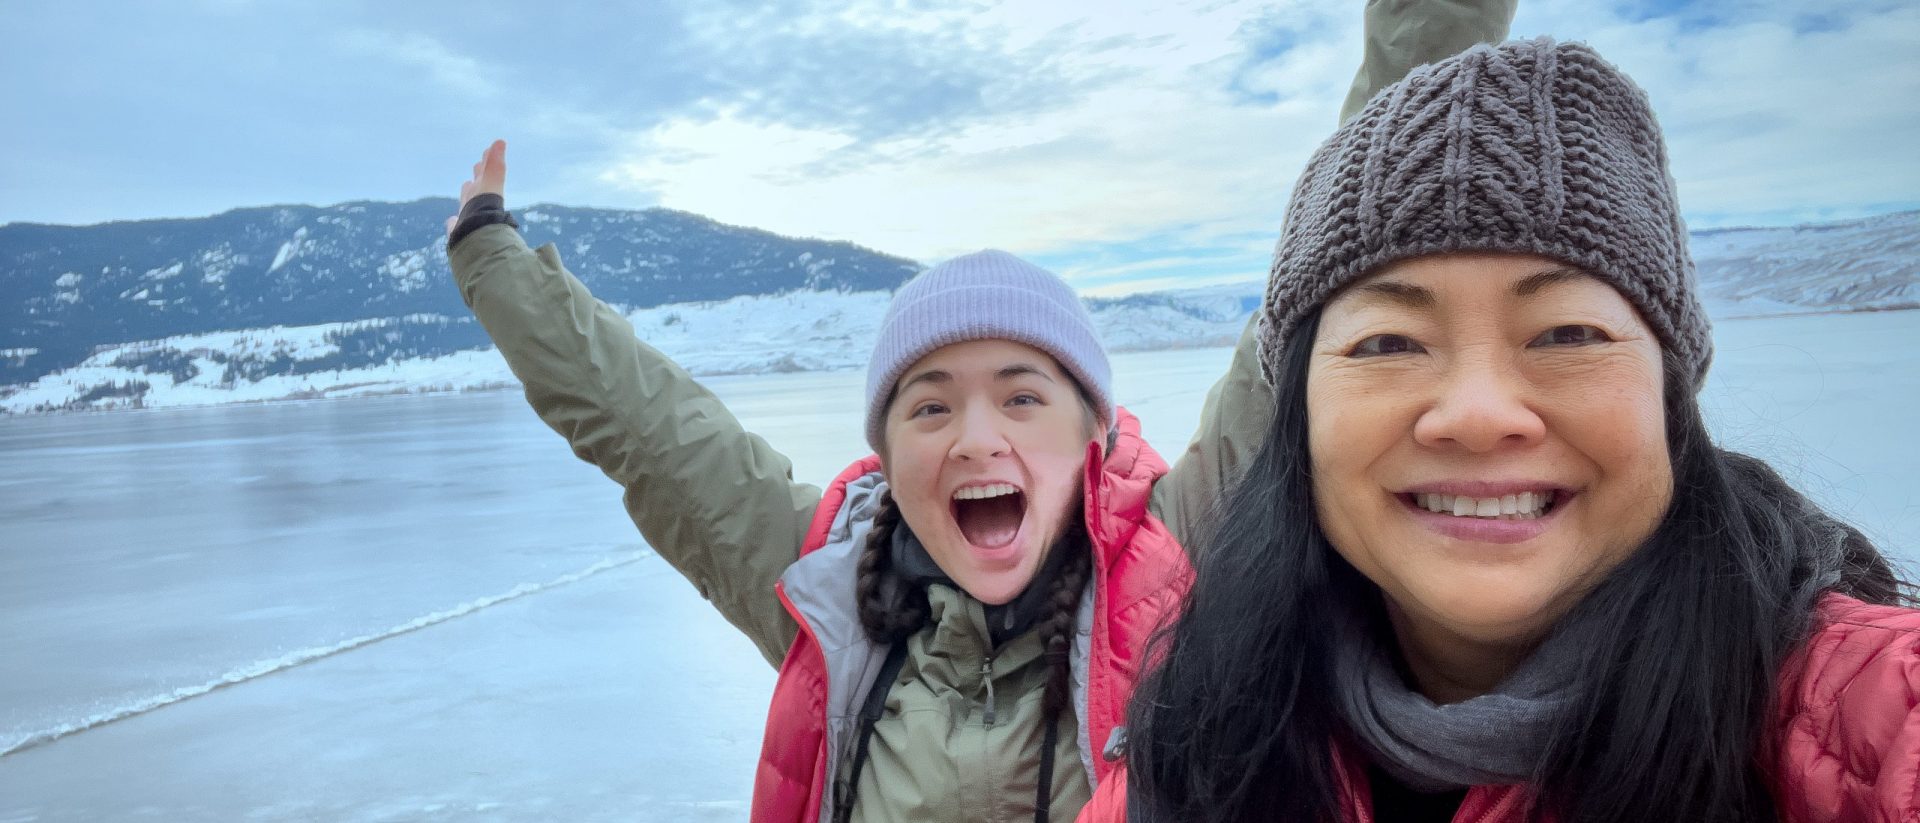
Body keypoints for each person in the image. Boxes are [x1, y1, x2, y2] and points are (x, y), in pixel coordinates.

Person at [441, 5, 1516, 820]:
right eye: (929, 404)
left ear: (1093, 430)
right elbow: (646, 424)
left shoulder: (1176, 561)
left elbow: (1321, 277)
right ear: (888, 451)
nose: (976, 436)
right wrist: (491, 251)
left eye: (1022, 394)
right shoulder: (825, 590)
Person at [1096, 37, 1920, 823]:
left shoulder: (1873, 720)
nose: (1479, 413)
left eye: (1566, 334)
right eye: (1388, 342)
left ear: (1671, 400)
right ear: (1299, 414)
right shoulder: (1189, 743)